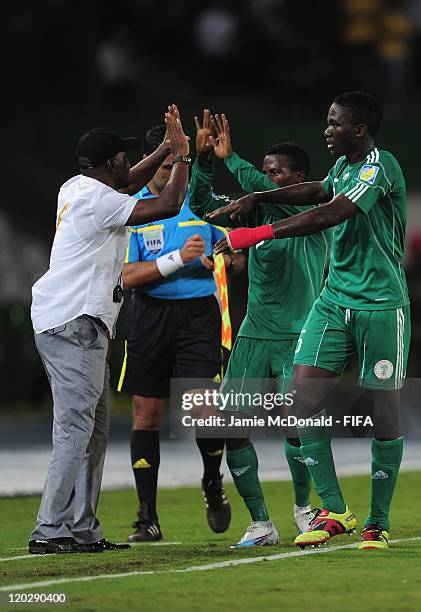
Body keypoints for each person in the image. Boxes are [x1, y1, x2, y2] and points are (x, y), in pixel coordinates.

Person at [213, 91, 410, 551]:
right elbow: (318, 190)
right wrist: (261, 193)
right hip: (334, 299)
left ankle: (378, 522)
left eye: (334, 122)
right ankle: (337, 511)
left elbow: (332, 212)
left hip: (381, 304)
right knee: (301, 402)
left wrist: (257, 230)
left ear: (358, 129)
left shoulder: (380, 167)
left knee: (383, 411)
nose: (327, 129)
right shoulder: (342, 168)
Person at [29, 106, 190, 554]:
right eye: (125, 157)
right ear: (112, 161)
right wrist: (181, 157)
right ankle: (49, 527)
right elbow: (169, 204)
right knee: (75, 428)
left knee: (92, 430)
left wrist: (163, 149)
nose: (128, 164)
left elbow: (127, 185)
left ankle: (81, 528)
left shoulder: (77, 187)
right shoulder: (98, 199)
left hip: (76, 320)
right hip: (74, 322)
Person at [189, 110, 331, 547]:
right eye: (264, 171)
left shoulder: (315, 209)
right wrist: (207, 160)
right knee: (232, 425)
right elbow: (199, 206)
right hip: (254, 332)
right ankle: (261, 523)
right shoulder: (254, 213)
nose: (267, 178)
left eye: (276, 172)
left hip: (300, 334)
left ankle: (305, 510)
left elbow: (271, 194)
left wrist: (235, 162)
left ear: (298, 177)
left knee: (298, 427)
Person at [120, 123, 244, 542]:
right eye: (167, 161)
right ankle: (147, 517)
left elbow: (237, 253)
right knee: (146, 416)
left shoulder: (201, 200)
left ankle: (212, 481)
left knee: (204, 411)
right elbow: (127, 276)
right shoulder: (130, 210)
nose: (174, 169)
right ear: (150, 160)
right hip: (149, 317)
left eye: (180, 162)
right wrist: (176, 258)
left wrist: (224, 257)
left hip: (197, 317)